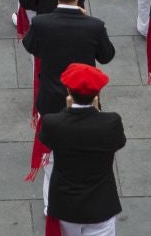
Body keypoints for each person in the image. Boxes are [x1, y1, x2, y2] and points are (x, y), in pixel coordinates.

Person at [38, 64, 126, 235]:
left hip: (65, 206)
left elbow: (46, 142)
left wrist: (67, 111)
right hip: (100, 206)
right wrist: (96, 110)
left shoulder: (53, 123)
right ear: (97, 95)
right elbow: (118, 143)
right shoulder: (111, 123)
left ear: (69, 92)